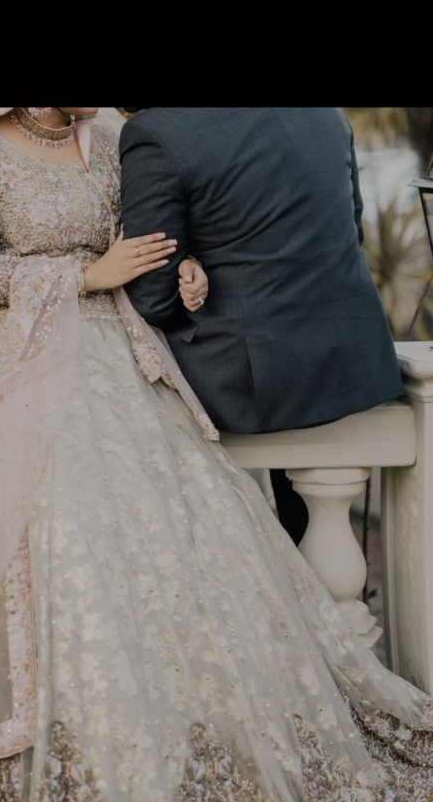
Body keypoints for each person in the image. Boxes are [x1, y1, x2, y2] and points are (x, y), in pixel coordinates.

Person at [0, 107, 433, 802]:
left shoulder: (116, 137)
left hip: (122, 363)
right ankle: (82, 777)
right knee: (75, 561)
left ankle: (203, 756)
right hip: (26, 374)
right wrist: (85, 276)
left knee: (186, 551)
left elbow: (158, 231)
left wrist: (178, 265)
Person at [119, 107, 404, 545]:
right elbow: (352, 231)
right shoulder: (327, 114)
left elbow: (153, 297)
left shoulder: (155, 131)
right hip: (355, 359)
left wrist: (192, 276)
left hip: (252, 376)